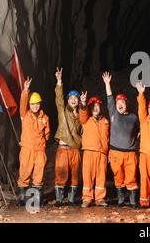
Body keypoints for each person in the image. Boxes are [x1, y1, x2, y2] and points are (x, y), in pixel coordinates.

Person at [102, 71, 140, 208]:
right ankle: (121, 199)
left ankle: (133, 200)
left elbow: (139, 130)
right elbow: (109, 97)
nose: (119, 104)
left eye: (122, 102)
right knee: (118, 176)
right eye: (118, 102)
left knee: (131, 176)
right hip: (115, 152)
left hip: (130, 152)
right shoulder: (113, 113)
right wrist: (107, 84)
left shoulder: (133, 117)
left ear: (126, 104)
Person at [17, 77, 50, 206]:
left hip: (40, 150)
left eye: (37, 104)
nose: (35, 106)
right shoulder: (24, 115)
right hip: (27, 149)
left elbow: (47, 134)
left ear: (40, 104)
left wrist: (42, 144)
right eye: (32, 104)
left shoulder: (45, 117)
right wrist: (25, 90)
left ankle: (35, 199)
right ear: (29, 105)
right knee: (24, 171)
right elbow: (22, 103)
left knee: (38, 175)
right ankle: (22, 197)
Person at [53, 68, 82, 207]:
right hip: (63, 148)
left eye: (76, 98)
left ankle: (71, 200)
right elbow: (59, 99)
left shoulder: (82, 116)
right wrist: (59, 82)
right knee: (61, 173)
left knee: (75, 175)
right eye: (71, 98)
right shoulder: (63, 112)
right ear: (68, 100)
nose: (73, 100)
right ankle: (59, 199)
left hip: (75, 148)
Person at [79, 92, 110, 208]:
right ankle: (87, 198)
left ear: (100, 107)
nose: (95, 108)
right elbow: (82, 112)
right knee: (87, 176)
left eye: (97, 105)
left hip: (102, 153)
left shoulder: (105, 121)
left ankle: (100, 198)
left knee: (101, 176)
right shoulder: (86, 120)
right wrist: (83, 103)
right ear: (90, 108)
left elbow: (109, 137)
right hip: (89, 151)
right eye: (93, 106)